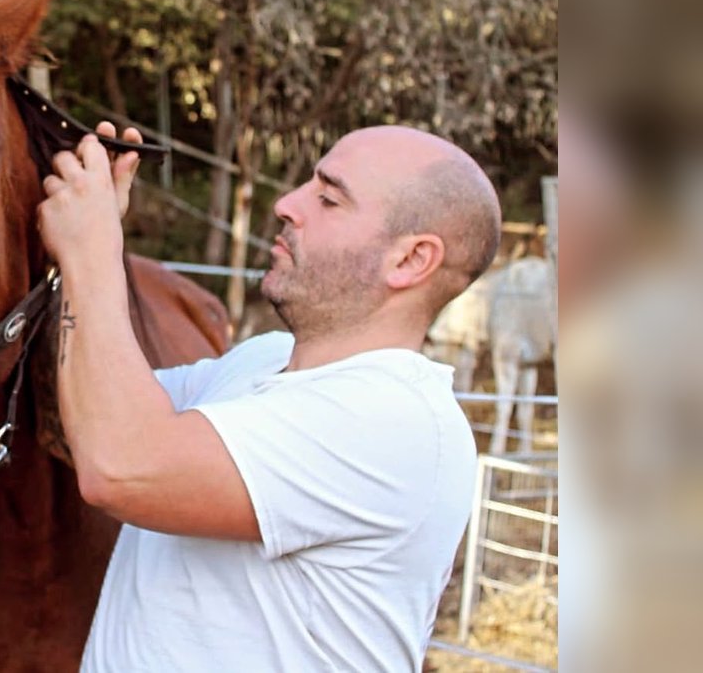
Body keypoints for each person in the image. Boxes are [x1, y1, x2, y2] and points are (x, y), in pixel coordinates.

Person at [36, 122, 502, 673]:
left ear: (410, 261)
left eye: (328, 198)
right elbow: (88, 413)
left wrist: (91, 254)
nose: (287, 203)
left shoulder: (397, 420)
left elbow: (120, 463)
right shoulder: (263, 358)